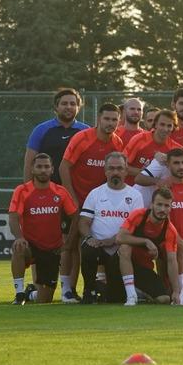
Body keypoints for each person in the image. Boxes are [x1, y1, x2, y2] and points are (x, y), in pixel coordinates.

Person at [59, 103, 124, 301]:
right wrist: (72, 199)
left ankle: (95, 288)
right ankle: (66, 290)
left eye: (114, 120)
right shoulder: (82, 138)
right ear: (98, 119)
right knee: (70, 244)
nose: (110, 123)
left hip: (100, 203)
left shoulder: (117, 143)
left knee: (91, 245)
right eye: (107, 119)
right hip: (77, 200)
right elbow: (64, 167)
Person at [8, 153, 78, 304]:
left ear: (52, 169)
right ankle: (19, 294)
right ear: (32, 169)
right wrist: (19, 237)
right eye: (39, 167)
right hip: (30, 245)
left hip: (51, 249)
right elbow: (13, 216)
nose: (43, 170)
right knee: (18, 247)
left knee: (44, 300)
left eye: (46, 167)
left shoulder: (60, 192)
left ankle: (30, 294)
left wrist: (69, 243)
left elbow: (76, 216)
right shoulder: (22, 191)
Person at [77, 152, 143, 304]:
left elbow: (136, 227)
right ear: (105, 171)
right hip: (98, 246)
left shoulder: (135, 196)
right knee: (87, 249)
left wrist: (113, 240)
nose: (115, 172)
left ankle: (107, 289)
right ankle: (89, 290)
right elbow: (84, 222)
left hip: (121, 250)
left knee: (115, 298)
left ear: (126, 171)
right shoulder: (95, 193)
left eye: (120, 168)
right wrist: (89, 238)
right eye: (111, 168)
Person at [116, 188, 183, 306]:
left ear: (171, 208)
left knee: (164, 299)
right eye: (159, 204)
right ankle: (131, 295)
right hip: (119, 265)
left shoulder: (170, 230)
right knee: (125, 247)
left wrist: (176, 292)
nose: (162, 209)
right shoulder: (139, 216)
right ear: (151, 205)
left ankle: (139, 292)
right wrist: (146, 241)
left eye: (167, 206)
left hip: (143, 268)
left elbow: (172, 261)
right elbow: (119, 238)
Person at [24, 88, 90, 183]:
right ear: (56, 107)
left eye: (72, 104)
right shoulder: (41, 130)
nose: (68, 107)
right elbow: (29, 163)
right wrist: (28, 190)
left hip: (76, 192)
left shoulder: (86, 131)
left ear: (78, 107)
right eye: (64, 103)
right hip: (47, 190)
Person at [124, 109, 177, 179]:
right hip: (132, 186)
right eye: (162, 124)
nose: (165, 129)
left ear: (173, 128)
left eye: (169, 126)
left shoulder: (175, 148)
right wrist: (149, 173)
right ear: (155, 124)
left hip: (157, 187)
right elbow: (122, 166)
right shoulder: (140, 139)